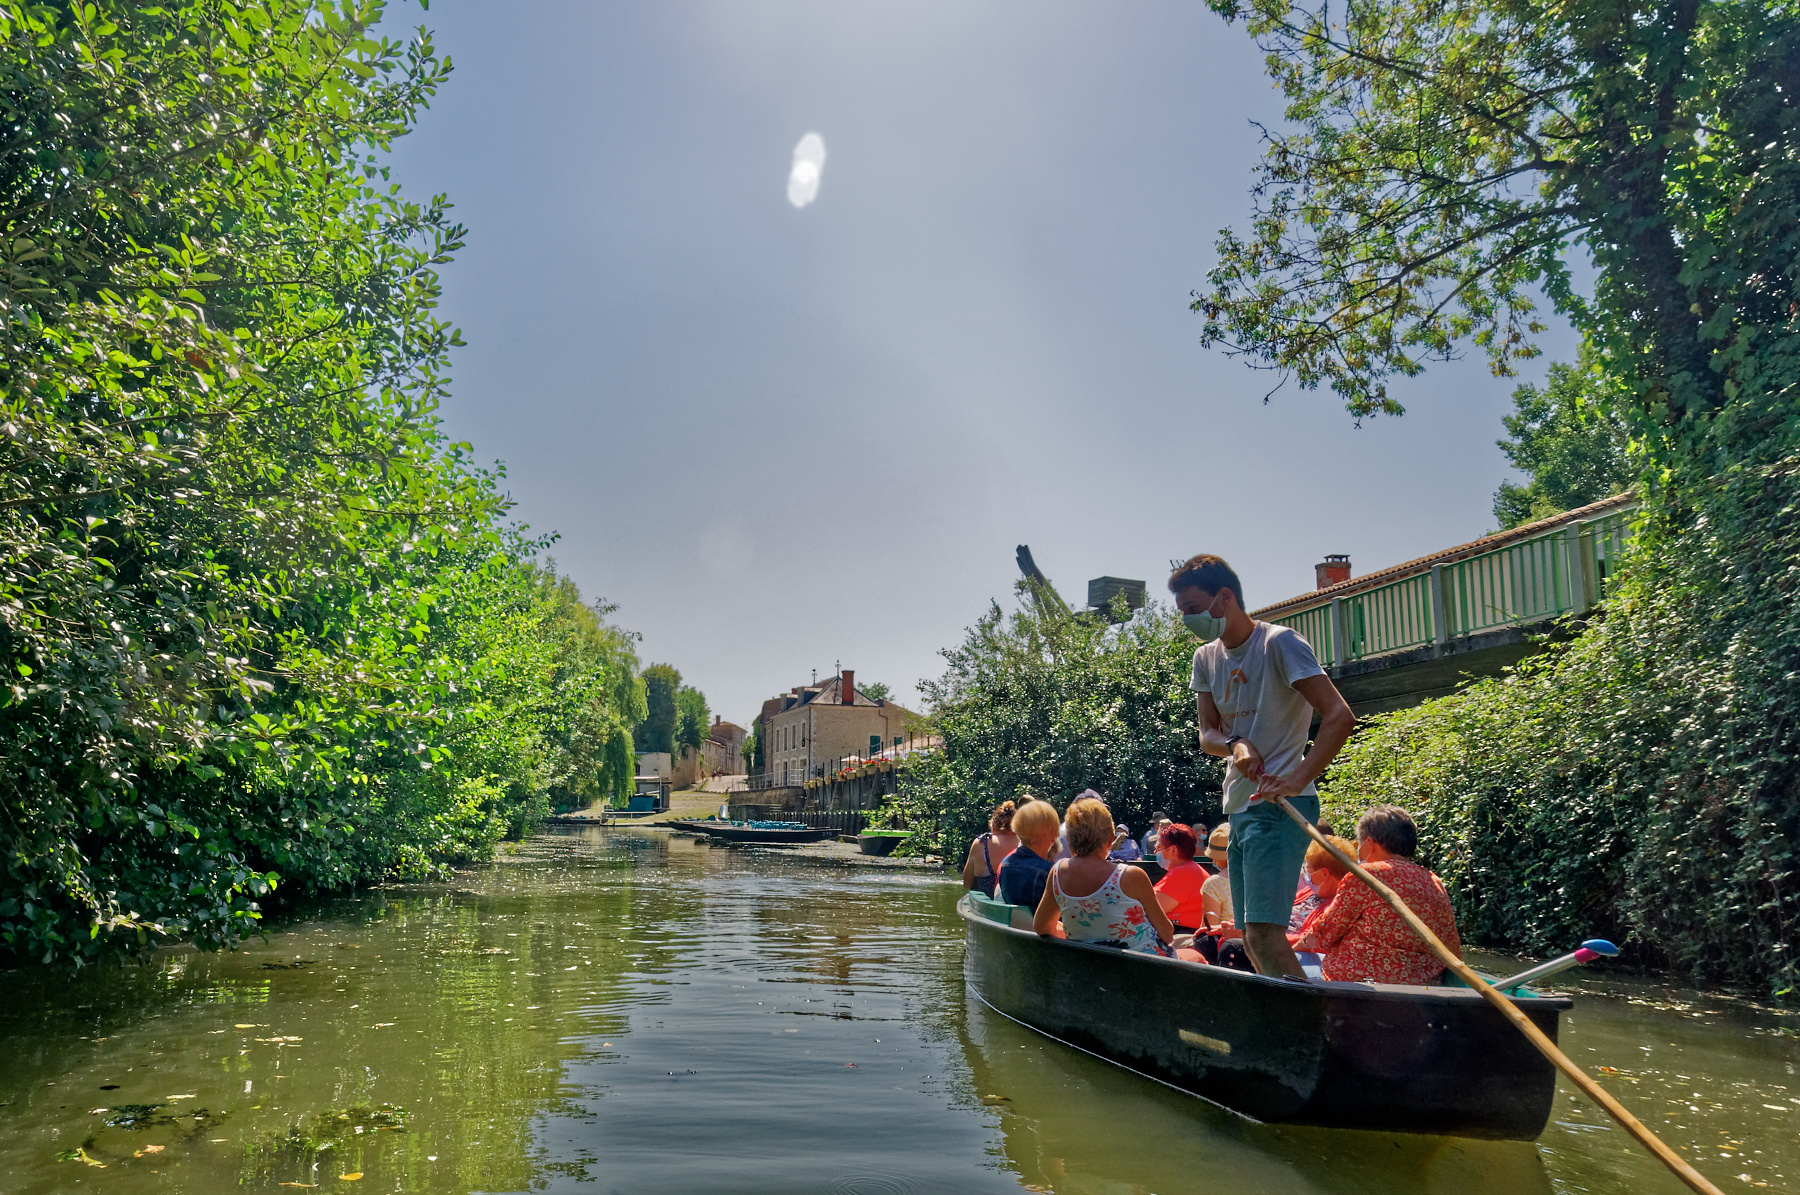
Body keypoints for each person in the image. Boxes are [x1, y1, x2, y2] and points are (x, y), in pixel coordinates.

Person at [1170, 554, 1357, 979]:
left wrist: (1298, 777)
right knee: (1249, 936)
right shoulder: (1206, 658)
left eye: (1194, 609)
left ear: (1225, 597)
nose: (1189, 619)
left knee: (1265, 935)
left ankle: (1308, 1030)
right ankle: (1287, 1024)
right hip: (1240, 807)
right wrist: (1238, 744)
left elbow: (1339, 715)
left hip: (1278, 807)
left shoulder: (1279, 643)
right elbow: (1208, 735)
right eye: (1183, 613)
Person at [1294, 805, 1462, 985]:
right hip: (1423, 984)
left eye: (1359, 844)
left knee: (1292, 960)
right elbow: (1451, 945)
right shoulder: (1434, 881)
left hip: (1359, 980)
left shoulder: (1366, 874)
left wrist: (1295, 947)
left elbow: (1324, 932)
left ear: (1369, 844)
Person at [1034, 796, 1176, 955]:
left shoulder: (1057, 873)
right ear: (1110, 839)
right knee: (1194, 957)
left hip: (1088, 969)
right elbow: (1167, 933)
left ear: (1068, 839)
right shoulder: (1131, 876)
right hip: (1141, 970)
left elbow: (1042, 927)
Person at [1288, 834, 1355, 940]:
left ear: (1324, 873)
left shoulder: (1338, 908)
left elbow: (1310, 941)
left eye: (1308, 869)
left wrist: (1271, 938)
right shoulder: (1310, 892)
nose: (1305, 873)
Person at [997, 799, 1059, 912]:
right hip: (1040, 928)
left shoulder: (1006, 863)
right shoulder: (1049, 872)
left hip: (1015, 925)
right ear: (1051, 835)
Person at [1150, 824, 1206, 931]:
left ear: (1173, 851)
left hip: (1181, 934)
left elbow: (1148, 909)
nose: (1155, 852)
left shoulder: (1182, 873)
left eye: (1158, 848)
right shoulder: (1191, 869)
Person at [962, 800, 1020, 897]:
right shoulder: (1025, 843)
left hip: (987, 906)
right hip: (1017, 906)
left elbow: (967, 882)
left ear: (993, 825)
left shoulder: (981, 843)